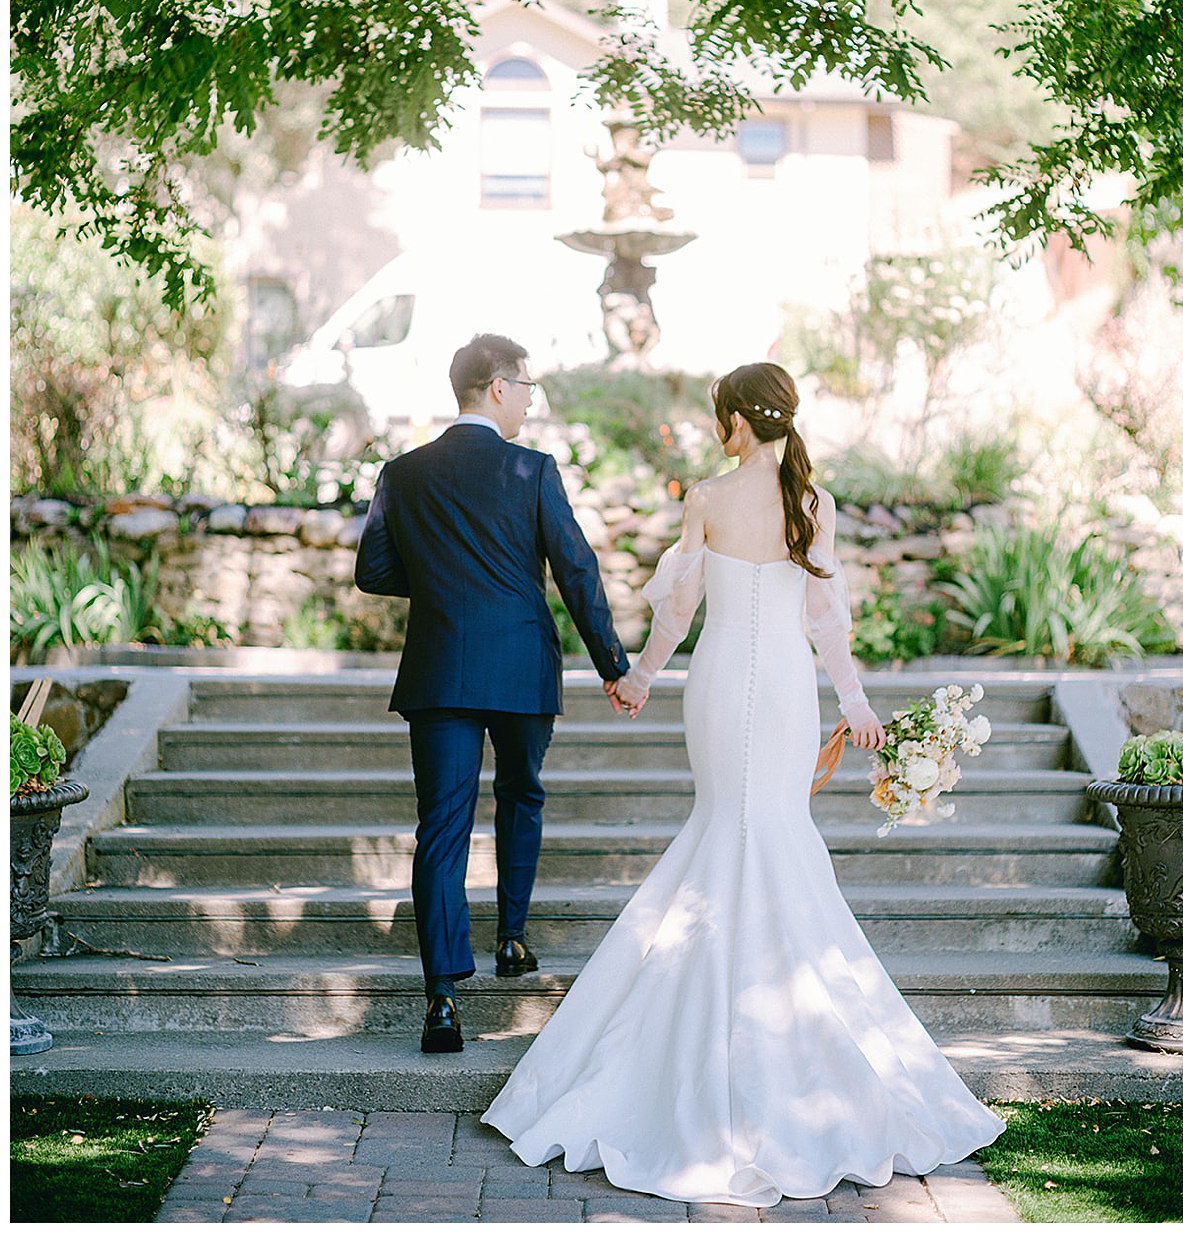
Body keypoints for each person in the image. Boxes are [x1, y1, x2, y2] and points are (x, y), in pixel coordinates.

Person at [482, 362, 1004, 1205]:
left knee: (747, 828)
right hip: (782, 686)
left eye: (719, 414)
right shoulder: (810, 502)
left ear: (734, 421)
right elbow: (826, 625)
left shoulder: (714, 498)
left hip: (726, 682)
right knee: (746, 826)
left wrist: (643, 676)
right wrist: (857, 701)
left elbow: (677, 612)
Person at [354, 333, 629, 1054]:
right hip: (519, 664)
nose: (531, 400)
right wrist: (613, 662)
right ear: (499, 386)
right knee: (521, 794)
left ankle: (442, 998)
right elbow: (577, 569)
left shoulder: (404, 471)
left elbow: (374, 570)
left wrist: (446, 582)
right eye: (528, 387)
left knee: (440, 827)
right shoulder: (531, 469)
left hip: (441, 664)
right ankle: (510, 938)